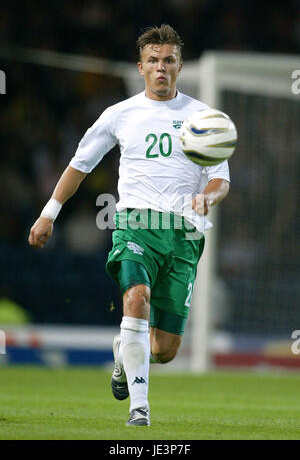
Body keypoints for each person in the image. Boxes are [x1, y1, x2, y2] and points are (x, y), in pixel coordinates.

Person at [28, 24, 230, 427]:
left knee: (165, 350)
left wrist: (207, 197)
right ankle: (140, 409)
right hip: (135, 223)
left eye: (168, 61)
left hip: (185, 234)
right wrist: (48, 213)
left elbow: (220, 177)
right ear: (140, 67)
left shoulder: (203, 118)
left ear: (179, 66)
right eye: (153, 61)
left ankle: (126, 350)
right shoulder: (119, 114)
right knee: (135, 296)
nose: (161, 68)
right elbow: (80, 164)